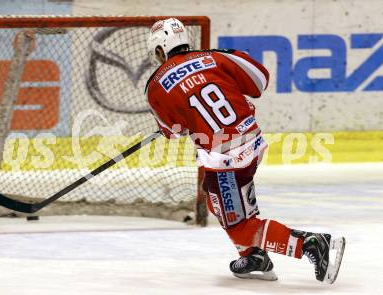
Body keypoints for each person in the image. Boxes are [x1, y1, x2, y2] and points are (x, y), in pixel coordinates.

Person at [145, 18, 345, 283]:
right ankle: (254, 257)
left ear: (160, 50)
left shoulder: (155, 86)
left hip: (224, 159)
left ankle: (312, 244)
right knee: (217, 200)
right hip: (251, 141)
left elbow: (174, 131)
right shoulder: (214, 56)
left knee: (240, 227)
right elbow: (260, 80)